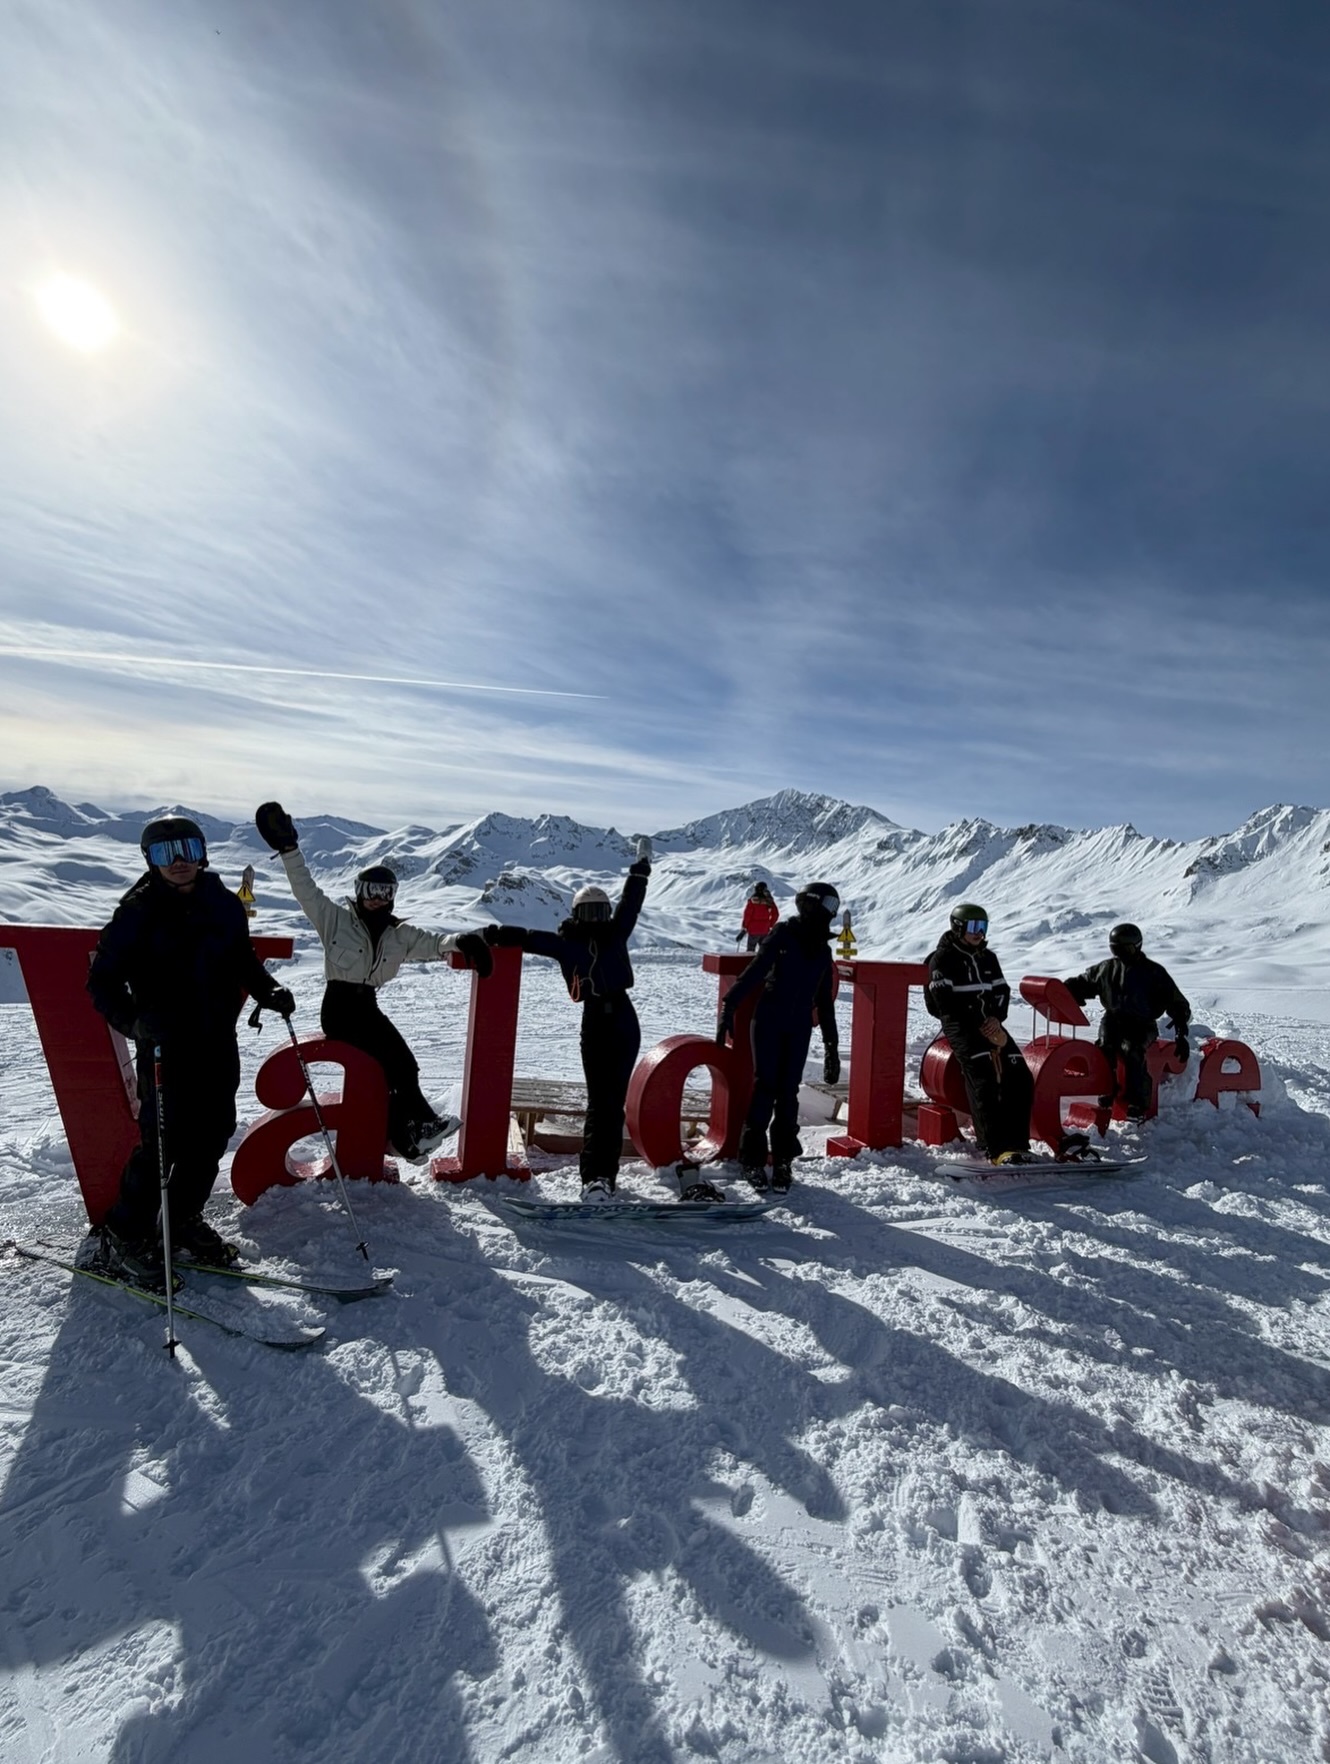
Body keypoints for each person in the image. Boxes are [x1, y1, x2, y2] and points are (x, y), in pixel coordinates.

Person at [86, 815, 296, 1287]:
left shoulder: (222, 903)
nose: (179, 861)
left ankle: (179, 1220)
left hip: (216, 1041)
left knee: (212, 1134)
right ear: (150, 861)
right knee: (162, 1143)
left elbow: (241, 959)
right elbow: (101, 982)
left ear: (202, 853)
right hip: (164, 1047)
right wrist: (135, 1023)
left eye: (187, 849)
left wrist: (268, 990)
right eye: (165, 853)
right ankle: (124, 1235)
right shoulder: (136, 912)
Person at [254, 802, 492, 1162]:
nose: (378, 899)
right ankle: (422, 1125)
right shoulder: (335, 919)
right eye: (371, 890)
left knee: (394, 1069)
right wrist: (289, 850)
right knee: (398, 1063)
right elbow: (306, 890)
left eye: (386, 892)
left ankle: (404, 1139)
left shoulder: (399, 934)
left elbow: (434, 943)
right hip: (340, 1008)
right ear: (359, 891)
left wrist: (463, 941)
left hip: (368, 1006)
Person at [483, 847, 652, 1197]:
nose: (595, 918)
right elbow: (530, 938)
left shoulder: (617, 932)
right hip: (595, 1021)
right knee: (598, 1103)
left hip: (622, 1019)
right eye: (588, 912)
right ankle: (594, 1178)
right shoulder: (566, 943)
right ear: (576, 914)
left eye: (600, 911)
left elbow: (631, 903)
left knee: (612, 1103)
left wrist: (640, 871)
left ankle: (606, 1177)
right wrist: (497, 933)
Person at [716, 881, 841, 1194]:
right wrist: (729, 1006)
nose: (831, 914)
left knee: (788, 1093)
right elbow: (756, 971)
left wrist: (831, 1048)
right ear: (811, 904)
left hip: (798, 1025)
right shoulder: (783, 934)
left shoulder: (823, 950)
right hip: (770, 1018)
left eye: (834, 909)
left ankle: (783, 1159)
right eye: (828, 907)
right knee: (765, 1086)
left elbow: (824, 1003)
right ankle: (752, 1159)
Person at [924, 902, 1036, 1166]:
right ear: (958, 927)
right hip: (961, 1025)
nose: (979, 933)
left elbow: (1002, 992)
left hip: (992, 1025)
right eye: (974, 927)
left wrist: (996, 1018)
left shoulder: (988, 958)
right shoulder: (942, 958)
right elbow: (945, 1001)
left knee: (1020, 1076)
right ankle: (995, 1147)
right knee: (983, 1079)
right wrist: (979, 1022)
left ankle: (1018, 1144)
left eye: (983, 927)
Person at [1063, 923, 1191, 1120]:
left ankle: (1138, 1103)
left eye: (1125, 948)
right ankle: (1106, 1089)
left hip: (1142, 1023)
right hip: (1113, 1019)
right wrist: (1070, 989)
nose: (1120, 953)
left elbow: (1176, 1001)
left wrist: (1181, 1032)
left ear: (1136, 946)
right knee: (1105, 1048)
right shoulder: (1106, 968)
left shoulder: (1153, 972)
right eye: (1116, 948)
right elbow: (1085, 982)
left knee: (1132, 1050)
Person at [735, 882, 779, 951]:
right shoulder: (769, 901)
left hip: (753, 931)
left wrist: (744, 927)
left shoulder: (752, 901)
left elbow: (747, 915)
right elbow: (775, 914)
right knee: (764, 951)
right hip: (765, 930)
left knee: (750, 950)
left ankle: (750, 961)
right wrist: (770, 924)